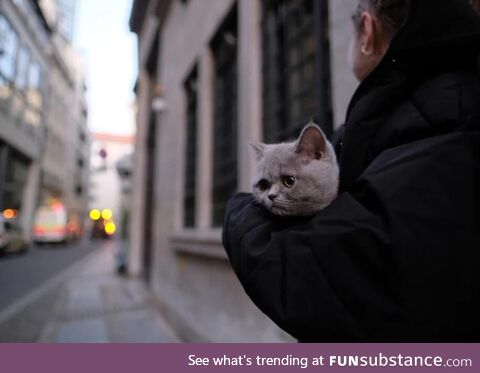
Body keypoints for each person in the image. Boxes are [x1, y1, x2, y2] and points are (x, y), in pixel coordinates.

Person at [222, 0, 480, 342]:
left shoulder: (450, 106)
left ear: (367, 31)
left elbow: (322, 273)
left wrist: (237, 213)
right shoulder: (397, 107)